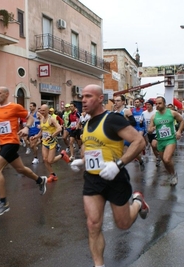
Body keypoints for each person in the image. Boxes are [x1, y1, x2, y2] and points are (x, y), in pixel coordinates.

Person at [68, 84, 149, 267]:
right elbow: (88, 148)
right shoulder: (87, 123)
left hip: (115, 178)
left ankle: (138, 202)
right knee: (93, 224)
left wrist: (118, 164)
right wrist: (82, 161)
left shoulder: (112, 119)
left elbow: (139, 142)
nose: (83, 100)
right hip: (92, 179)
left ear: (99, 99)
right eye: (82, 96)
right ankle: (99, 265)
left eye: (88, 96)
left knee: (123, 224)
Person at [0, 86, 47, 216]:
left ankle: (3, 203)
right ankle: (40, 181)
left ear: (6, 94)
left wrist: (26, 128)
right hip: (3, 144)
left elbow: (30, 117)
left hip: (12, 142)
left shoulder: (15, 107)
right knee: (20, 169)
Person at [148, 96, 184, 186]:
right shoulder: (154, 116)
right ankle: (172, 174)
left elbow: (182, 121)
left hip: (170, 139)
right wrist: (150, 129)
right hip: (160, 141)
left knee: (166, 159)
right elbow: (150, 128)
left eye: (160, 103)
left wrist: (179, 131)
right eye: (156, 104)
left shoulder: (172, 113)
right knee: (165, 162)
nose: (158, 105)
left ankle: (174, 174)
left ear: (164, 104)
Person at [31, 104, 70, 182]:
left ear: (48, 111)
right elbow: (42, 131)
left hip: (52, 142)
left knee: (50, 161)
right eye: (40, 110)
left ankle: (62, 155)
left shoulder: (51, 119)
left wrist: (52, 136)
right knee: (45, 159)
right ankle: (53, 175)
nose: (41, 112)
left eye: (43, 110)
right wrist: (36, 136)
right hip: (45, 142)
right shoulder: (41, 119)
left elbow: (59, 128)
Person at [142, 99, 161, 166]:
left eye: (149, 104)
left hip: (156, 132)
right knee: (153, 147)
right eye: (146, 104)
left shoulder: (156, 113)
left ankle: (160, 154)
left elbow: (159, 122)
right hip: (148, 133)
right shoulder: (144, 113)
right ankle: (158, 158)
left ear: (152, 105)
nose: (147, 106)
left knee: (154, 144)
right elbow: (142, 123)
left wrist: (154, 127)